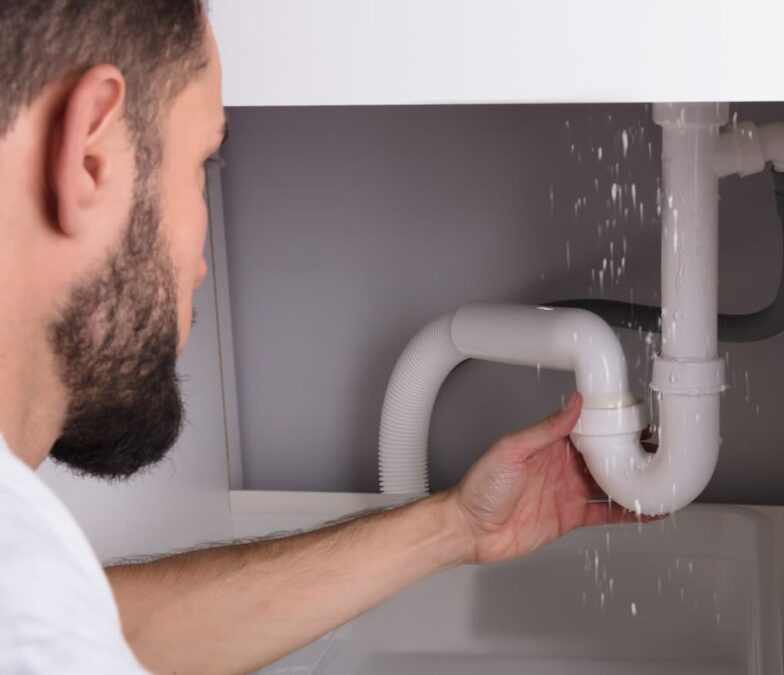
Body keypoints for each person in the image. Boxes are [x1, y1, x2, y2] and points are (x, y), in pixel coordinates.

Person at [0, 3, 644, 672]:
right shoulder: (31, 623)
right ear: (89, 157)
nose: (199, 261)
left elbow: (115, 630)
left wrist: (456, 525)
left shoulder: (31, 587)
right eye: (200, 165)